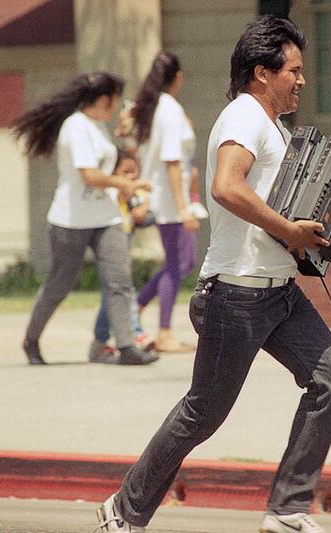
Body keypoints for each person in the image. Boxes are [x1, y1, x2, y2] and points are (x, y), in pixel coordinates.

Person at [95, 15, 331, 533]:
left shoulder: (274, 127)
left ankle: (286, 509)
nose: (302, 80)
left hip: (280, 292)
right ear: (261, 73)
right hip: (235, 295)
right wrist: (290, 230)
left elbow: (289, 203)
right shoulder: (244, 115)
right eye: (293, 70)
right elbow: (225, 186)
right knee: (203, 412)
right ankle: (124, 511)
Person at [13, 72, 158, 366]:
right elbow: (89, 176)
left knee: (119, 280)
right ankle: (31, 339)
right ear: (105, 99)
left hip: (106, 218)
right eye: (115, 99)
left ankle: (127, 346)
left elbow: (106, 166)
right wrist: (126, 186)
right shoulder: (76, 127)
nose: (117, 105)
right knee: (60, 284)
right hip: (70, 220)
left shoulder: (98, 126)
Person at [132, 51, 199, 353]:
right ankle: (164, 331)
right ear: (179, 78)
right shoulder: (169, 110)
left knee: (180, 262)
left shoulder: (156, 108)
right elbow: (172, 160)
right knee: (179, 263)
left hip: (164, 196)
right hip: (171, 200)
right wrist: (183, 206)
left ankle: (136, 309)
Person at [89, 149, 153, 361]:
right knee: (122, 290)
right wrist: (132, 186)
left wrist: (143, 208)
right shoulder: (110, 192)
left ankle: (103, 339)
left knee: (116, 292)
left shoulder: (132, 190)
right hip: (110, 244)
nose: (131, 177)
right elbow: (122, 193)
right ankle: (133, 334)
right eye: (125, 172)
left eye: (134, 172)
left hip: (123, 243)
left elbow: (146, 200)